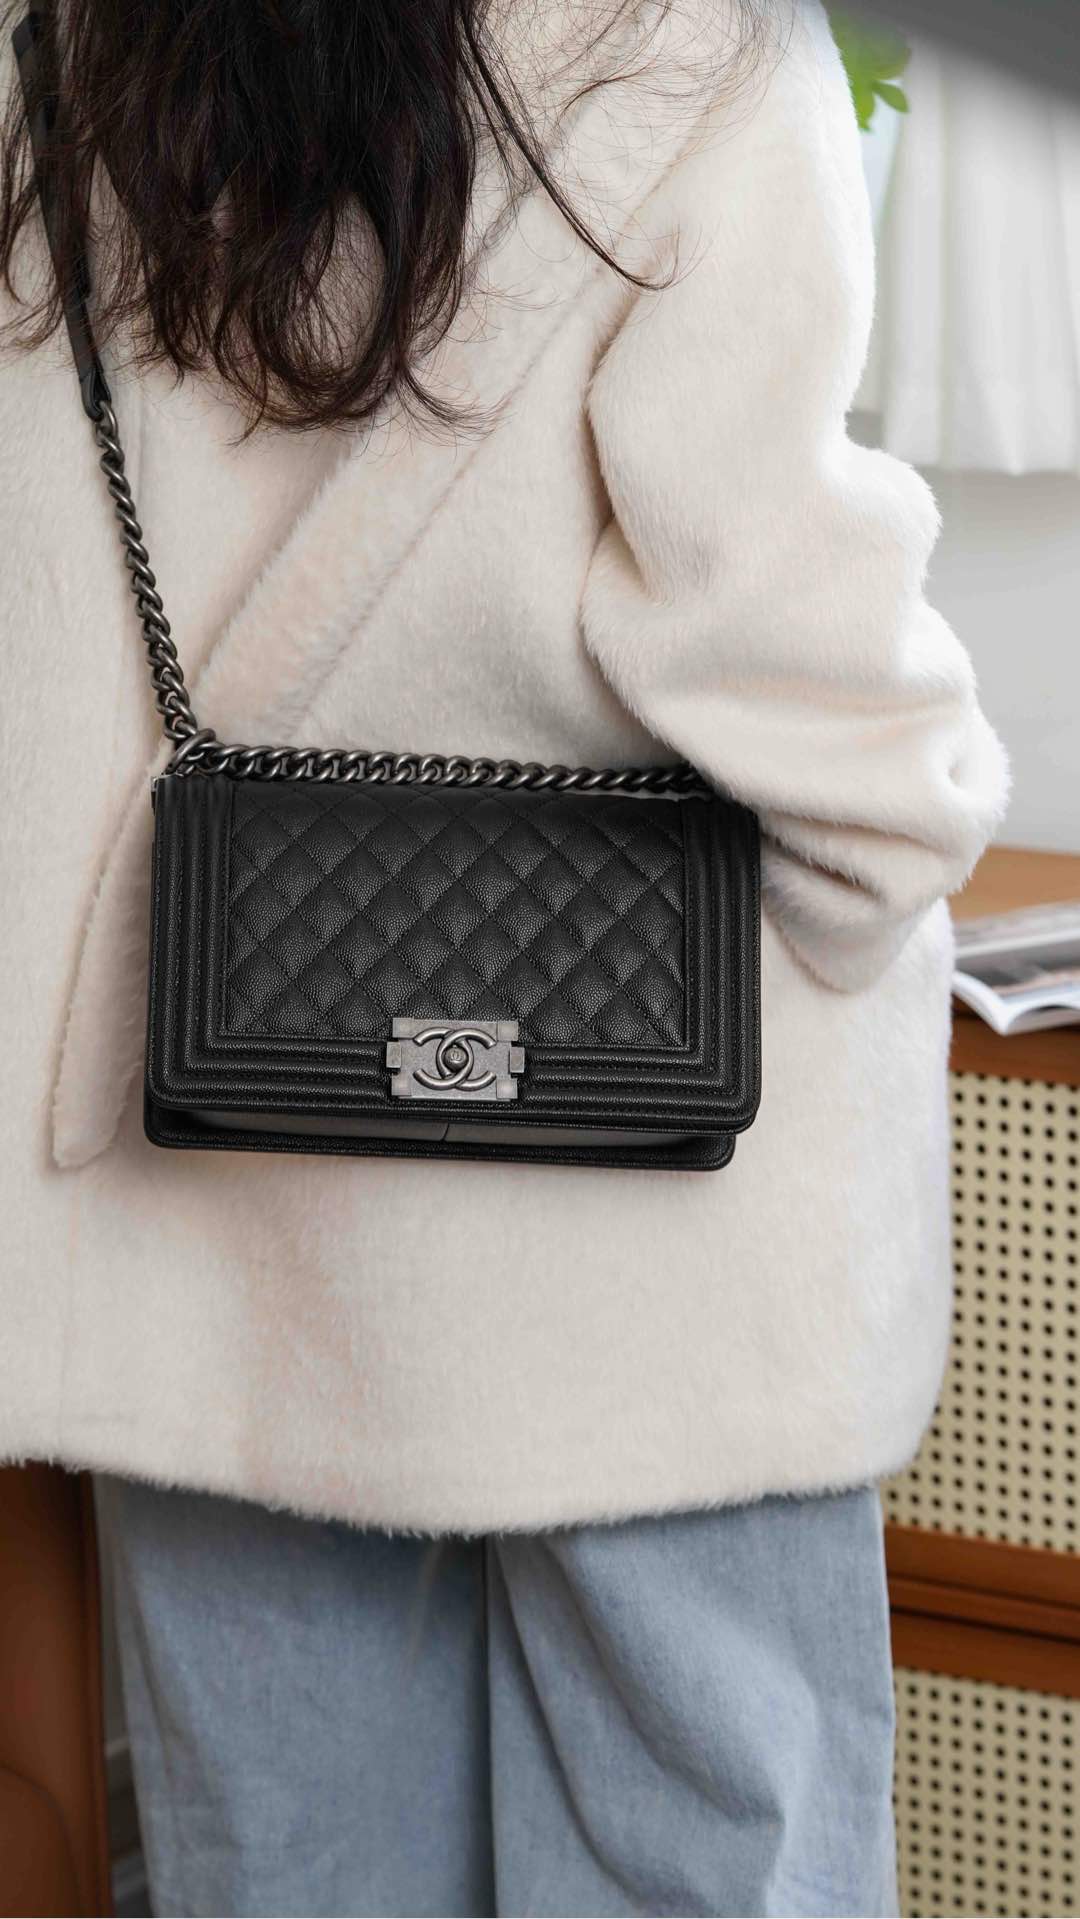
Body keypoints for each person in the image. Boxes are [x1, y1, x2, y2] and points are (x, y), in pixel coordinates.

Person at [0, 0, 1008, 1912]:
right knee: (713, 1859)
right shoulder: (691, 43)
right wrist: (909, 823)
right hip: (654, 1220)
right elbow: (764, 615)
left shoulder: (74, 53)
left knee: (288, 1867)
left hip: (232, 1167)